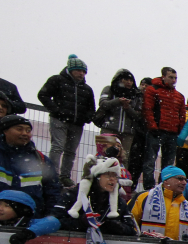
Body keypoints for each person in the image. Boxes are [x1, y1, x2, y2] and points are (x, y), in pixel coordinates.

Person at [37, 55, 96, 187]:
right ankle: (53, 175)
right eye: (79, 70)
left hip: (77, 124)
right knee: (57, 147)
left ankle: (65, 177)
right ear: (70, 69)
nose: (82, 74)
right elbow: (43, 95)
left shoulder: (87, 89)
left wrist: (87, 117)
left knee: (71, 151)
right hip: (59, 120)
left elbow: (91, 108)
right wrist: (56, 111)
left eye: (84, 71)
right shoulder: (57, 80)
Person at [51, 155, 136, 236]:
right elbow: (54, 221)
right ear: (97, 177)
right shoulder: (73, 195)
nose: (112, 179)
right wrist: (81, 222)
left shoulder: (119, 202)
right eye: (108, 175)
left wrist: (115, 227)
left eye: (115, 176)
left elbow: (132, 230)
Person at [0, 115, 62, 217]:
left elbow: (52, 193)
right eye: (19, 129)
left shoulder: (42, 160)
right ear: (5, 131)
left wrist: (48, 218)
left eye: (28, 130)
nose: (24, 133)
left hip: (30, 222)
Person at [141, 67, 186, 190]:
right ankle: (149, 188)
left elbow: (182, 115)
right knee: (151, 161)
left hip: (171, 133)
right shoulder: (153, 90)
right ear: (163, 76)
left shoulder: (179, 96)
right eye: (171, 77)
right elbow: (147, 109)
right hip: (157, 131)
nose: (173, 80)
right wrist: (152, 126)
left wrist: (178, 130)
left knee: (168, 164)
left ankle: (163, 188)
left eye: (175, 78)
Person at [131, 165, 188, 241]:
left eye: (185, 180)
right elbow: (130, 224)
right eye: (180, 179)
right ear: (166, 180)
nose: (184, 182)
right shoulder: (143, 198)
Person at [95, 69, 141, 165]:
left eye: (131, 80)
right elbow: (103, 104)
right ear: (119, 79)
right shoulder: (109, 89)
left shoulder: (136, 95)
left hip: (128, 132)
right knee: (103, 155)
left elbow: (138, 116)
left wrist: (127, 108)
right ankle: (101, 178)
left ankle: (122, 178)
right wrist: (117, 101)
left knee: (124, 158)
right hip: (108, 129)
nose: (129, 82)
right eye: (126, 79)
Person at [128, 77, 153, 182]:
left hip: (144, 132)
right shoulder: (135, 95)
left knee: (138, 161)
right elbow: (138, 115)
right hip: (133, 131)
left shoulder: (150, 99)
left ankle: (132, 184)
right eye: (143, 84)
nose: (144, 87)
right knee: (132, 159)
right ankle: (129, 183)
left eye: (146, 85)